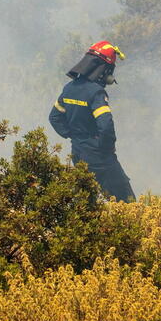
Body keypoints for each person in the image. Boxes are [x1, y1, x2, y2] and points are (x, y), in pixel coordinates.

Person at [49, 41, 135, 201]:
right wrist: (104, 149)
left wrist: (73, 135)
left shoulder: (69, 88)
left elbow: (54, 117)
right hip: (100, 157)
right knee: (126, 203)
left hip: (78, 154)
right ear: (104, 69)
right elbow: (106, 125)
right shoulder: (96, 93)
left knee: (88, 203)